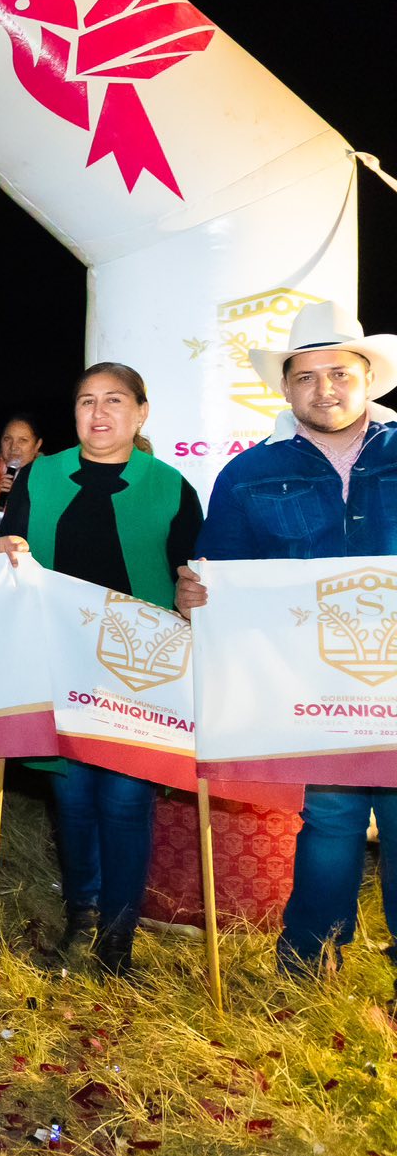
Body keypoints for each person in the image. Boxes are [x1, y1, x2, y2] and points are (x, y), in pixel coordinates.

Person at [175, 302, 397, 977]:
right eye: (306, 376)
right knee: (330, 816)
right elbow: (222, 572)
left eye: (338, 373)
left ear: (367, 378)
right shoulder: (246, 475)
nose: (323, 388)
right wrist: (198, 597)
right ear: (286, 388)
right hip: (314, 682)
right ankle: (309, 962)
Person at [0, 363, 201, 973]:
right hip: (58, 657)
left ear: (141, 412)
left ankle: (118, 936)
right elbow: (7, 542)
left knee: (126, 799)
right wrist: (4, 549)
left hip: (138, 667)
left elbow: (192, 572)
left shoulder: (170, 486)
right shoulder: (42, 474)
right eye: (86, 400)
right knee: (74, 795)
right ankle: (80, 916)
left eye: (114, 400)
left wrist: (194, 593)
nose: (99, 411)